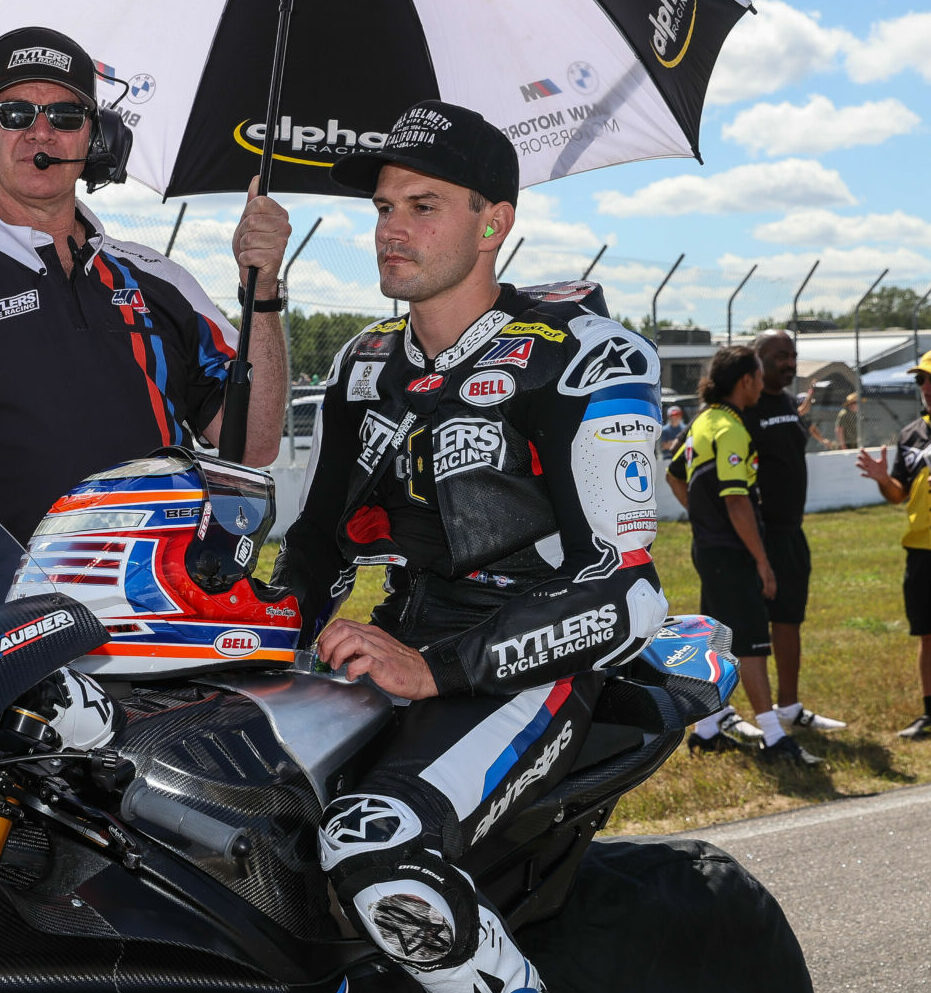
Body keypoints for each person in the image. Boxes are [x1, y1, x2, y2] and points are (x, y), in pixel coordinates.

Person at [272, 99, 668, 993]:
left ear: (494, 223)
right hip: (389, 643)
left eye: (422, 206)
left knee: (378, 842)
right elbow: (316, 551)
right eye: (381, 207)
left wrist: (435, 669)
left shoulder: (584, 358)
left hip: (529, 662)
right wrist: (247, 636)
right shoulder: (362, 362)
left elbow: (629, 597)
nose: (390, 229)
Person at [0, 25, 290, 541]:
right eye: (16, 113)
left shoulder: (164, 280)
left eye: (65, 116)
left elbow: (253, 443)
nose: (41, 133)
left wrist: (262, 295)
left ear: (97, 138)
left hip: (157, 606)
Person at [665, 347, 821, 765]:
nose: (759, 386)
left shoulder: (703, 422)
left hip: (710, 547)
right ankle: (773, 737)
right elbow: (737, 502)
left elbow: (674, 474)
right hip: (732, 552)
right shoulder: (732, 429)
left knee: (719, 640)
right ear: (746, 381)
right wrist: (762, 561)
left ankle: (707, 730)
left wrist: (702, 518)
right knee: (751, 643)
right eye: (756, 377)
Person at [742, 331, 846, 732]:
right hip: (758, 536)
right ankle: (725, 718)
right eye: (779, 356)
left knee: (789, 620)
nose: (789, 363)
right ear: (757, 359)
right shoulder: (741, 409)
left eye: (793, 356)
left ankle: (789, 707)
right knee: (747, 628)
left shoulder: (786, 402)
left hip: (791, 534)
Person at [855, 350, 931, 739]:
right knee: (926, 633)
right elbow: (898, 495)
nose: (926, 388)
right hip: (921, 549)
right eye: (921, 381)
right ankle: (930, 713)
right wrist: (884, 479)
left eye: (930, 379)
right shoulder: (911, 434)